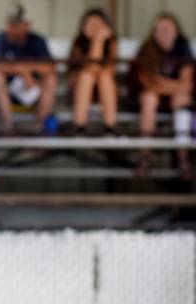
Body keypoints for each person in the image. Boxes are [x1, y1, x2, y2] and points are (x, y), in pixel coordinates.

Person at [130, 12, 194, 179]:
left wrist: (162, 84)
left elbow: (187, 84)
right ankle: (144, 158)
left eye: (166, 29)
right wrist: (174, 86)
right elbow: (148, 83)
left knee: (181, 99)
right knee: (149, 98)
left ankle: (183, 158)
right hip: (150, 101)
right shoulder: (147, 49)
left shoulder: (183, 48)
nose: (162, 33)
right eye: (158, 29)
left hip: (176, 99)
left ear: (176, 31)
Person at [0, 2, 58, 134]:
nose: (11, 28)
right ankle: (8, 125)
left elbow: (49, 67)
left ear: (27, 25)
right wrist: (23, 71)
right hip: (9, 94)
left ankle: (41, 126)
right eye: (9, 24)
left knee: (51, 80)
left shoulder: (37, 40)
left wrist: (26, 70)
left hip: (33, 89)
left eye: (16, 25)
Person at [67, 8, 118, 135]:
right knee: (86, 76)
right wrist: (98, 40)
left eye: (98, 25)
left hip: (104, 91)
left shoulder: (111, 43)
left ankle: (110, 124)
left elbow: (110, 68)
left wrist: (99, 41)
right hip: (79, 91)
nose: (94, 28)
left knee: (104, 75)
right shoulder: (78, 44)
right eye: (90, 24)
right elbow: (91, 67)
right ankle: (79, 124)